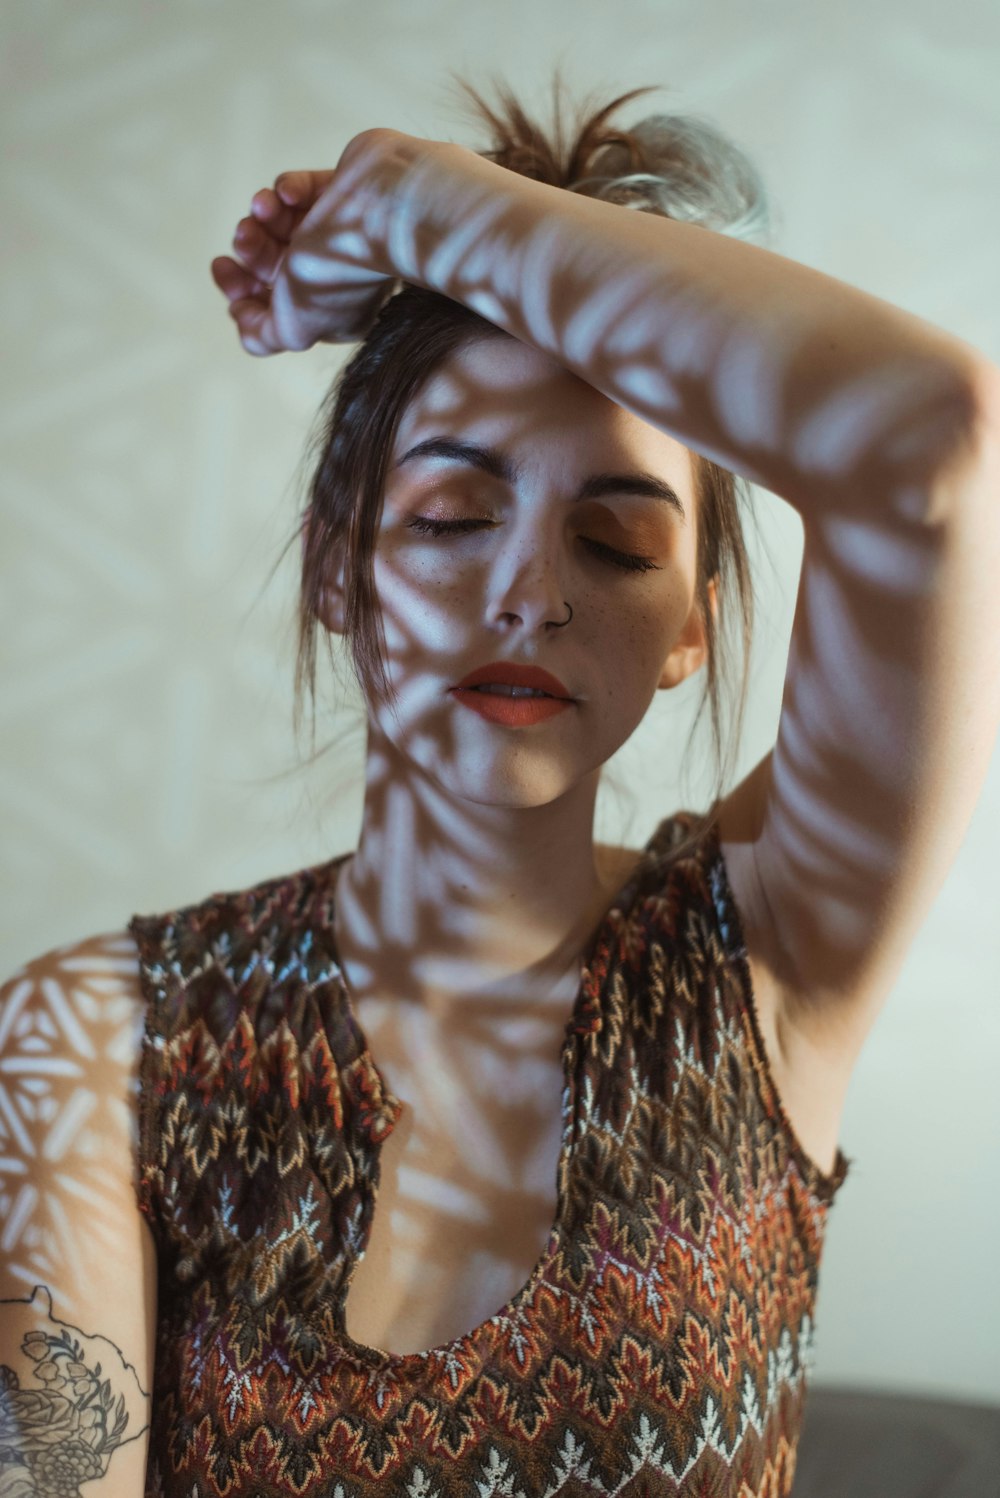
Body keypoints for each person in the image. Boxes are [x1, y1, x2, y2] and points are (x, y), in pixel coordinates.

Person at [1, 76, 998, 1498]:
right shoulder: (86, 1037)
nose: (527, 594)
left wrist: (424, 207)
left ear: (694, 626)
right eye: (454, 517)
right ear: (343, 563)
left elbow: (936, 438)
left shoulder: (766, 958)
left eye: (614, 543)